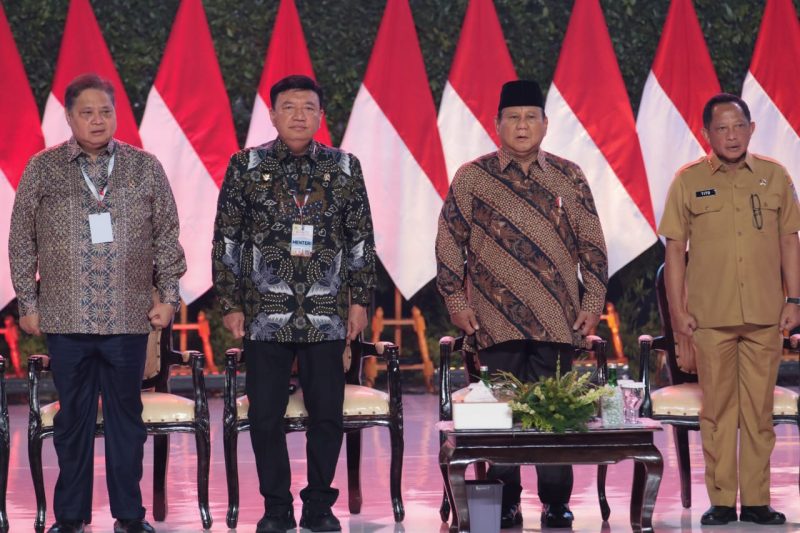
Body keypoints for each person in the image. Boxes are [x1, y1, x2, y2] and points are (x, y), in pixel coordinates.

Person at [8, 73, 186, 533]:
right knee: (73, 424)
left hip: (128, 318)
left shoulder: (143, 166)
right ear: (68, 117)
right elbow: (20, 240)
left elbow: (167, 235)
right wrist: (27, 300)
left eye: (105, 111)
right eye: (86, 112)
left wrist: (169, 297)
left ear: (116, 115)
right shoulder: (42, 168)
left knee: (127, 421)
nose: (97, 120)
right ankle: (70, 517)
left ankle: (130, 516)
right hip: (66, 318)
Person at [435, 79, 608, 529]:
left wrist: (593, 300)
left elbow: (591, 243)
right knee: (500, 411)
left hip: (558, 315)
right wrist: (455, 299)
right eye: (513, 117)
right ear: (496, 125)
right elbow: (449, 242)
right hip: (493, 317)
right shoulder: (473, 176)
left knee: (557, 411)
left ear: (546, 124)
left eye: (531, 116)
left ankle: (554, 500)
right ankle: (505, 500)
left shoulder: (568, 176)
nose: (522, 125)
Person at [212, 74, 376, 533]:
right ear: (272, 114)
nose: (299, 115)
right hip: (266, 313)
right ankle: (276, 507)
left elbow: (361, 239)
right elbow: (227, 238)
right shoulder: (245, 165)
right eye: (289, 106)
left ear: (321, 116)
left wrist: (360, 300)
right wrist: (230, 300)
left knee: (327, 414)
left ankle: (320, 505)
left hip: (326, 314)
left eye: (308, 107)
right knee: (265, 416)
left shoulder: (344, 167)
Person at [660, 93, 800, 527]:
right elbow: (675, 250)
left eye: (738, 126)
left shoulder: (775, 177)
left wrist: (794, 300)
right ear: (707, 134)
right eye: (722, 128)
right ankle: (721, 500)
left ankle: (757, 500)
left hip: (764, 315)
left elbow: (789, 241)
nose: (732, 135)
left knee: (759, 414)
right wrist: (678, 313)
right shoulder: (688, 180)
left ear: (752, 128)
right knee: (717, 412)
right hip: (709, 317)